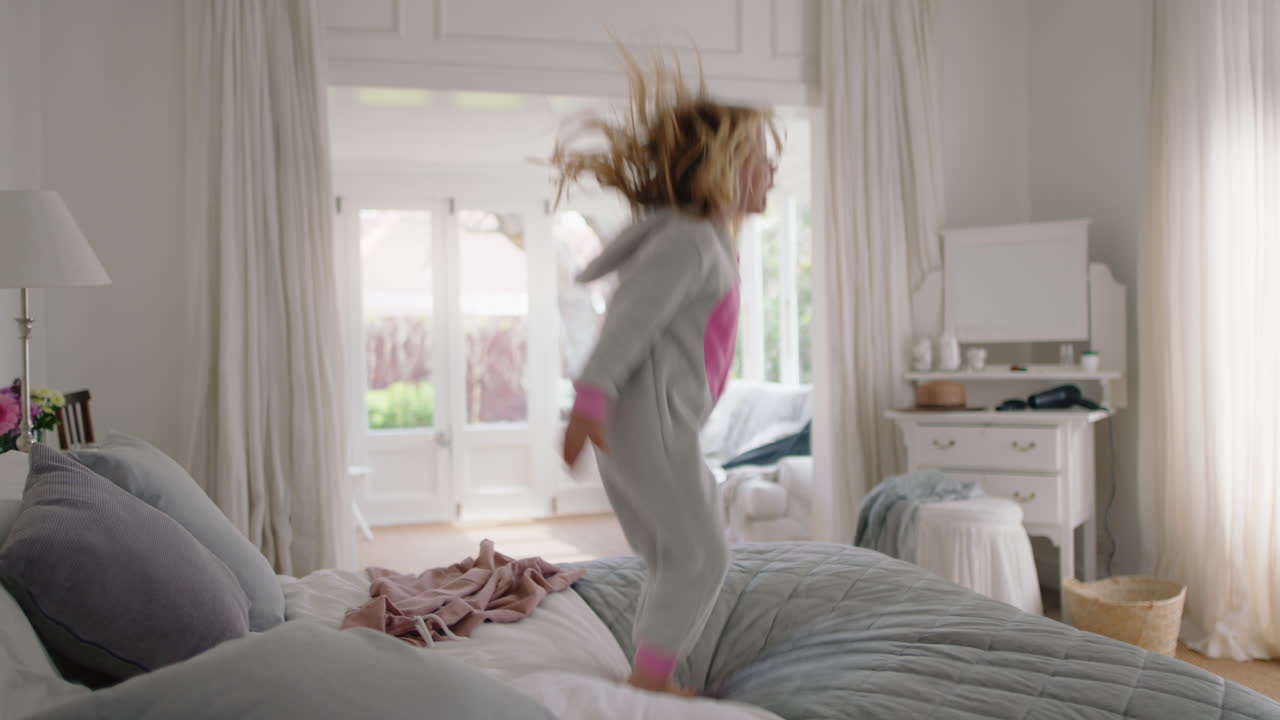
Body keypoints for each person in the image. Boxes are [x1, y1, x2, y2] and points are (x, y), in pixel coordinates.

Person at [553, 49, 779, 696]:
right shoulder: (691, 240)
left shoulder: (701, 238)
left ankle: (653, 664)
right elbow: (629, 315)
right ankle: (649, 681)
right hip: (646, 421)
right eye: (762, 157)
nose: (772, 171)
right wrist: (590, 399)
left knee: (672, 551)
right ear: (724, 168)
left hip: (654, 421)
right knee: (702, 551)